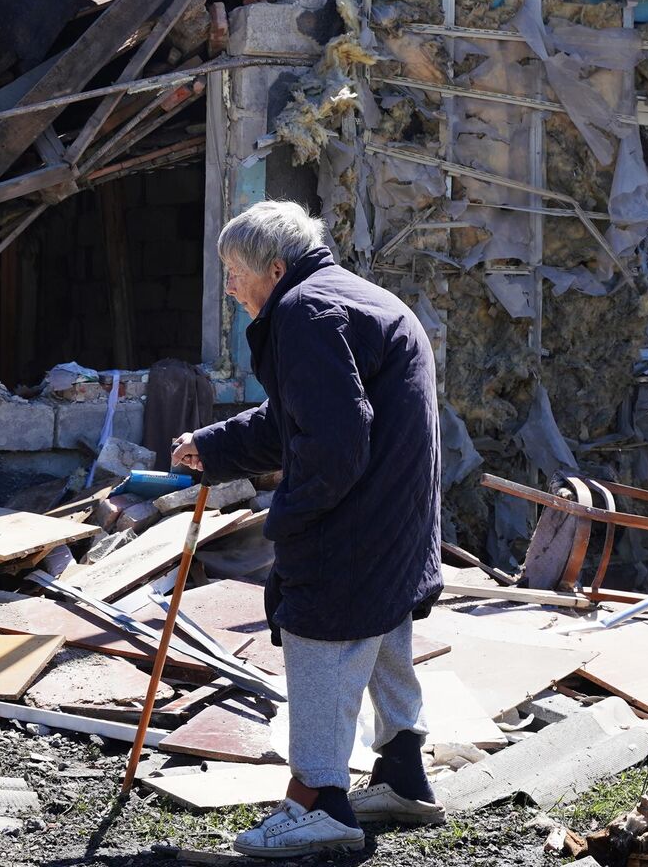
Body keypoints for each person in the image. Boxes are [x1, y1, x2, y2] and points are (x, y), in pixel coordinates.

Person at [172, 200, 444, 859]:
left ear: (275, 266)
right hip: (395, 512)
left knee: (320, 630)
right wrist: (213, 446)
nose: (230, 289)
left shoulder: (305, 313)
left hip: (353, 514)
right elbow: (294, 419)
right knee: (383, 628)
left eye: (235, 273)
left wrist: (291, 518)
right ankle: (403, 776)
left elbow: (333, 439)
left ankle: (319, 801)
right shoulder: (346, 300)